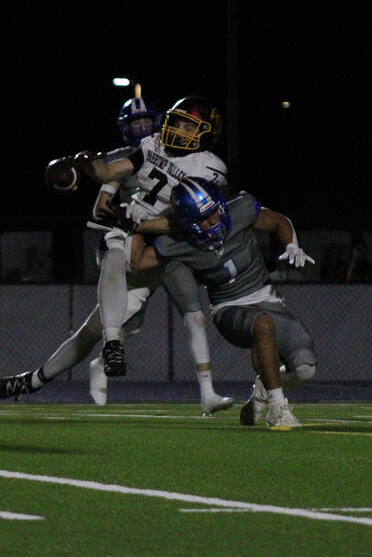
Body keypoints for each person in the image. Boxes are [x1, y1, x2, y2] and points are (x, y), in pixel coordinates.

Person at [0, 95, 235, 414]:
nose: (178, 130)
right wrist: (85, 160)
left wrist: (138, 224)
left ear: (207, 133)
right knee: (113, 256)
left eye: (189, 126)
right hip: (130, 228)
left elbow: (185, 220)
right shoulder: (153, 145)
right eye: (178, 122)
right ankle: (101, 349)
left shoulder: (210, 167)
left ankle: (45, 374)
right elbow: (108, 173)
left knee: (94, 328)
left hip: (163, 243)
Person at [128, 177, 318, 430]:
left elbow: (279, 221)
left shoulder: (240, 210)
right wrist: (137, 228)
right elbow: (137, 263)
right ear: (188, 223)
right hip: (228, 307)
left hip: (268, 298)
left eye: (215, 211)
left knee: (305, 369)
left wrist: (292, 244)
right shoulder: (178, 241)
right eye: (204, 218)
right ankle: (277, 409)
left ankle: (263, 389)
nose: (214, 220)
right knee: (263, 324)